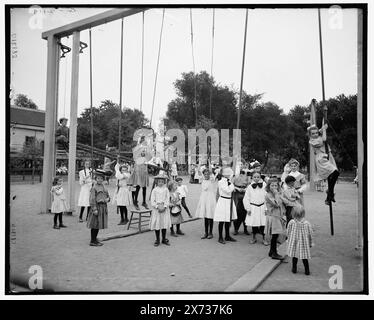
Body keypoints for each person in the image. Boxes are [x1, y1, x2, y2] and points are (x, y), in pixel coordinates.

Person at [308, 124, 339, 205]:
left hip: (327, 156)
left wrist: (323, 127)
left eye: (316, 133)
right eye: (313, 133)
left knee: (333, 174)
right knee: (335, 172)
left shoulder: (319, 135)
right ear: (310, 135)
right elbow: (324, 139)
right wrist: (323, 130)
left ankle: (329, 196)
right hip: (321, 159)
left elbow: (324, 127)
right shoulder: (312, 141)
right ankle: (330, 193)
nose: (315, 134)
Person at [287, 205, 314, 275]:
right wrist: (311, 243)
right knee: (304, 257)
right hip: (303, 243)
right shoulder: (307, 223)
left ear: (293, 213)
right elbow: (310, 234)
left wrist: (289, 239)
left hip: (294, 242)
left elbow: (288, 231)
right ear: (303, 213)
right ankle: (307, 270)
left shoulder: (292, 222)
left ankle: (294, 268)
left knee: (294, 255)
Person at [265, 177, 287, 260]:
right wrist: (276, 194)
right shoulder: (268, 195)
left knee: (276, 235)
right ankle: (274, 253)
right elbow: (277, 204)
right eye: (272, 185)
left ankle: (271, 251)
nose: (274, 187)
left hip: (278, 216)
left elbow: (282, 203)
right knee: (274, 236)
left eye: (276, 185)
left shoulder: (278, 193)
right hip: (273, 217)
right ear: (268, 186)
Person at [214, 167, 237, 244]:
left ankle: (227, 235)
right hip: (223, 201)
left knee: (228, 219)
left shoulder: (229, 181)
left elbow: (231, 189)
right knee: (222, 220)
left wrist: (231, 183)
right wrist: (232, 185)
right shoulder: (221, 182)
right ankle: (220, 237)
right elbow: (228, 190)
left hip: (229, 200)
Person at [243, 172, 268, 245]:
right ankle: (254, 237)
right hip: (253, 207)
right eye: (255, 177)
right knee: (254, 223)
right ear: (252, 178)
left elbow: (267, 197)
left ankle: (264, 238)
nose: (256, 178)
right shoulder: (250, 187)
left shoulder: (264, 185)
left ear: (260, 177)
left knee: (263, 223)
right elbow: (246, 198)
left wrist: (266, 208)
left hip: (262, 207)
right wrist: (248, 208)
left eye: (258, 177)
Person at [87, 171, 110, 246]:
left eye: (101, 178)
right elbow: (92, 199)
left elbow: (108, 196)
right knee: (95, 224)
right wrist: (94, 209)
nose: (99, 180)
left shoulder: (104, 187)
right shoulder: (94, 188)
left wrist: (108, 199)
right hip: (97, 207)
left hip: (103, 207)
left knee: (98, 224)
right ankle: (92, 241)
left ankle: (95, 239)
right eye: (98, 178)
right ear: (96, 179)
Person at [149, 172, 171, 246]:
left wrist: (165, 206)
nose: (160, 183)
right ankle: (157, 239)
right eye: (159, 182)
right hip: (157, 209)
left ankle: (164, 238)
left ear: (164, 182)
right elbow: (152, 200)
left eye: (162, 182)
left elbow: (167, 198)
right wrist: (157, 206)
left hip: (164, 208)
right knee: (157, 224)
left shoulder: (166, 190)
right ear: (156, 182)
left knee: (164, 223)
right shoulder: (154, 190)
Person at [195, 169, 217, 239]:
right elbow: (199, 173)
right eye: (205, 174)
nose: (206, 175)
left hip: (210, 199)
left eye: (208, 174)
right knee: (205, 217)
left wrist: (210, 170)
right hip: (204, 199)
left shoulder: (212, 180)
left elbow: (213, 176)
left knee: (210, 216)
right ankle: (206, 232)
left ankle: (211, 232)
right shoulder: (202, 180)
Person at [113, 158, 132, 225]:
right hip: (120, 191)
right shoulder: (120, 174)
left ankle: (125, 218)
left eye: (125, 170)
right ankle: (123, 218)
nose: (124, 171)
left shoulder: (127, 175)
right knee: (120, 205)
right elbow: (117, 180)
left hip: (124, 191)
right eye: (122, 170)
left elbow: (119, 176)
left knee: (123, 205)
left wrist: (117, 169)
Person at [232, 169, 250, 235]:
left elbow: (250, 183)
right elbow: (231, 184)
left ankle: (245, 229)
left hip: (245, 193)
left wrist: (246, 189)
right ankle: (236, 229)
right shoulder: (234, 175)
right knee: (237, 211)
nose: (242, 166)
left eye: (243, 164)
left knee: (245, 210)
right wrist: (237, 188)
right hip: (237, 193)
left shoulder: (247, 174)